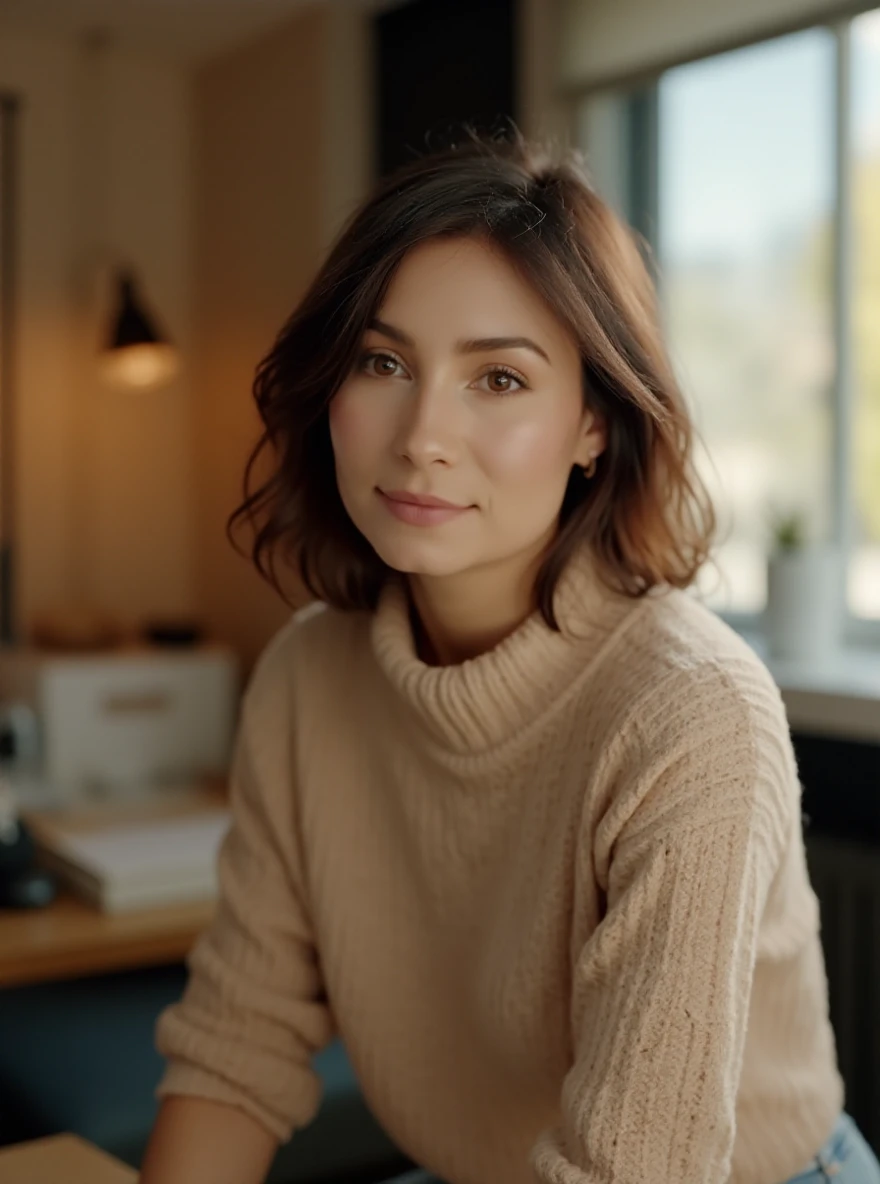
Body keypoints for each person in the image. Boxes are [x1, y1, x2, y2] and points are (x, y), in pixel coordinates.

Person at [138, 130, 879, 1184]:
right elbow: (235, 1041)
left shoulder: (692, 713)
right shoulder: (308, 678)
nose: (422, 434)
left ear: (591, 424)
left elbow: (634, 1170)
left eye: (498, 377)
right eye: (383, 361)